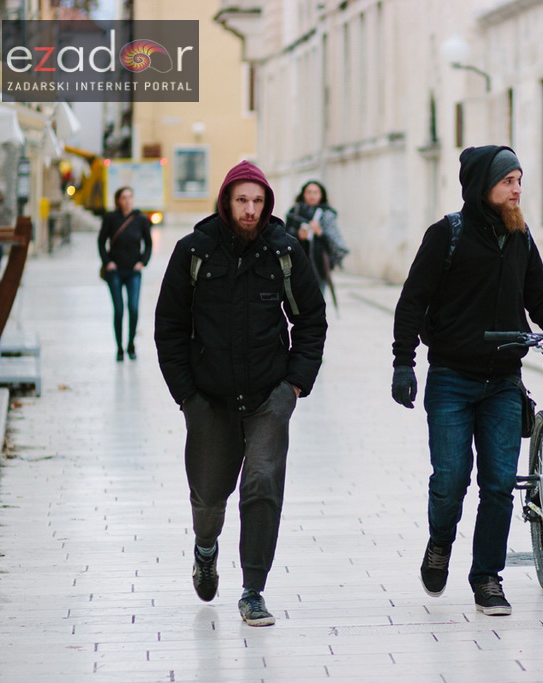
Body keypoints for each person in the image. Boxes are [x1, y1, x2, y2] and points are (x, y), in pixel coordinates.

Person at [391, 145, 543, 616]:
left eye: (519, 180)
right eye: (507, 182)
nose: (517, 190)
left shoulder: (520, 236)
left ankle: (487, 577)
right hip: (452, 379)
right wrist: (403, 362)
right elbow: (412, 300)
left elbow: (541, 297)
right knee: (451, 481)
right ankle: (439, 542)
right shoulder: (446, 235)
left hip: (504, 383)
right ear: (482, 187)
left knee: (497, 485)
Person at [154, 161, 327, 626]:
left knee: (262, 485)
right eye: (242, 201)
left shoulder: (284, 252)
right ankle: (205, 548)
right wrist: (186, 395)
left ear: (266, 204)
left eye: (257, 202)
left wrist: (293, 385)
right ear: (227, 203)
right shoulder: (194, 251)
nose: (250, 211)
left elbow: (311, 318)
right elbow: (169, 327)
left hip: (269, 394)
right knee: (209, 496)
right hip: (208, 400)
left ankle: (253, 590)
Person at [98, 186, 152, 361]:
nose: (127, 201)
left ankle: (131, 344)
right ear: (118, 200)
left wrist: (142, 262)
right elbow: (101, 241)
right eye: (124, 197)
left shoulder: (141, 219)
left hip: (133, 272)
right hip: (115, 271)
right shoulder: (110, 218)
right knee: (119, 310)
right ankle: (119, 347)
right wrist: (108, 263)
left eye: (130, 197)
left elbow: (148, 243)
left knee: (134, 308)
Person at [284, 180, 349, 296]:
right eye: (309, 192)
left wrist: (320, 232)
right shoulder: (295, 212)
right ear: (303, 194)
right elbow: (284, 235)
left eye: (315, 192)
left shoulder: (327, 215)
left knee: (318, 298)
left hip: (319, 265)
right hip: (297, 264)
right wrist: (298, 235)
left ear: (321, 195)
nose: (312, 196)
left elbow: (334, 241)